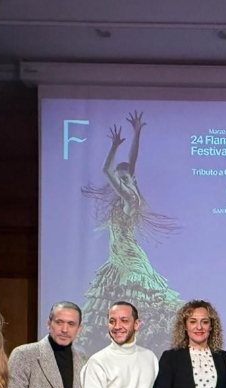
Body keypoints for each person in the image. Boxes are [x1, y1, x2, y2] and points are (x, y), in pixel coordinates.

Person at [79, 110, 181, 353]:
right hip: (119, 256)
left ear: (132, 181)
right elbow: (131, 162)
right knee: (110, 301)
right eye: (122, 178)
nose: (122, 181)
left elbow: (107, 170)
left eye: (126, 178)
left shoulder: (128, 196)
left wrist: (114, 146)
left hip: (129, 259)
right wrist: (136, 133)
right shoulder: (126, 191)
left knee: (136, 300)